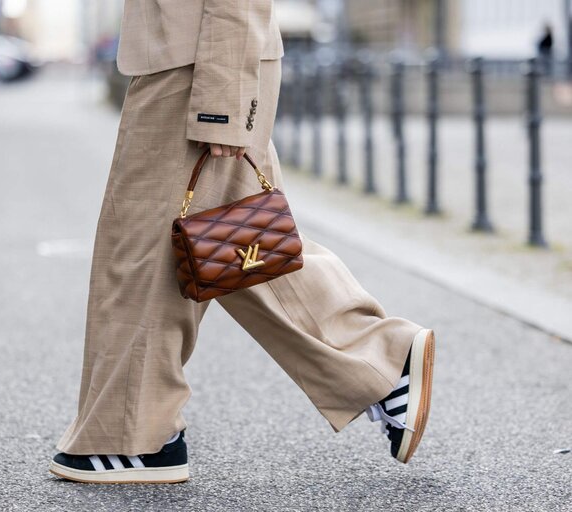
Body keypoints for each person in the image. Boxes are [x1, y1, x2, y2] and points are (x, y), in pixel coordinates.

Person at [49, 0, 436, 484]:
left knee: (147, 251)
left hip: (196, 66)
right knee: (236, 245)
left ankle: (133, 437)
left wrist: (222, 100)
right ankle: (379, 361)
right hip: (193, 59)